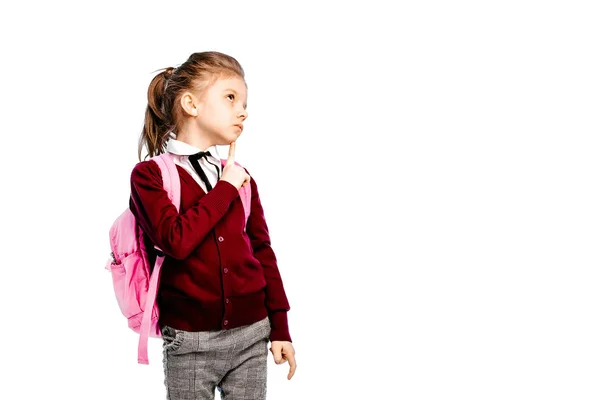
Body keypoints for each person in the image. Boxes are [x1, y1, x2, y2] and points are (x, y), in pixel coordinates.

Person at [129, 51, 296, 399]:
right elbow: (176, 240)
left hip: (253, 333)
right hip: (191, 342)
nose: (243, 111)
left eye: (244, 102)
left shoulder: (240, 177)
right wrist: (225, 187)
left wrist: (280, 327)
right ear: (191, 104)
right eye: (231, 98)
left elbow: (263, 252)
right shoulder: (150, 176)